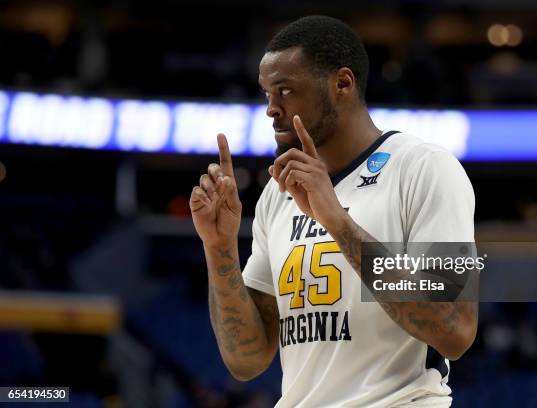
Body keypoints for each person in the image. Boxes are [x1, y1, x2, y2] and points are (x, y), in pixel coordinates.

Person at [190, 15, 477, 408]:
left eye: (286, 90)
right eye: (267, 93)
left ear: (342, 83)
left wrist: (338, 222)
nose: (271, 109)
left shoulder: (423, 168)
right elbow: (247, 359)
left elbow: (455, 329)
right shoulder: (278, 196)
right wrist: (219, 245)